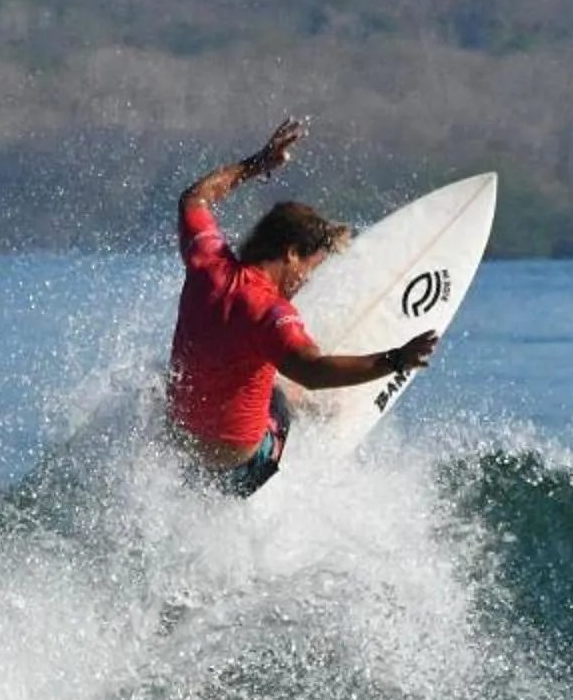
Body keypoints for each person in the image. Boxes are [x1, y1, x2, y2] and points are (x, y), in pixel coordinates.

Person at [167, 117, 438, 495]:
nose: (307, 280)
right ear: (292, 254)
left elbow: (194, 198)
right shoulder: (271, 312)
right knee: (282, 392)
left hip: (179, 452)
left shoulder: (206, 260)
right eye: (310, 268)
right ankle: (315, 413)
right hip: (240, 469)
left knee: (201, 371)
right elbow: (313, 369)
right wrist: (396, 360)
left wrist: (256, 164)